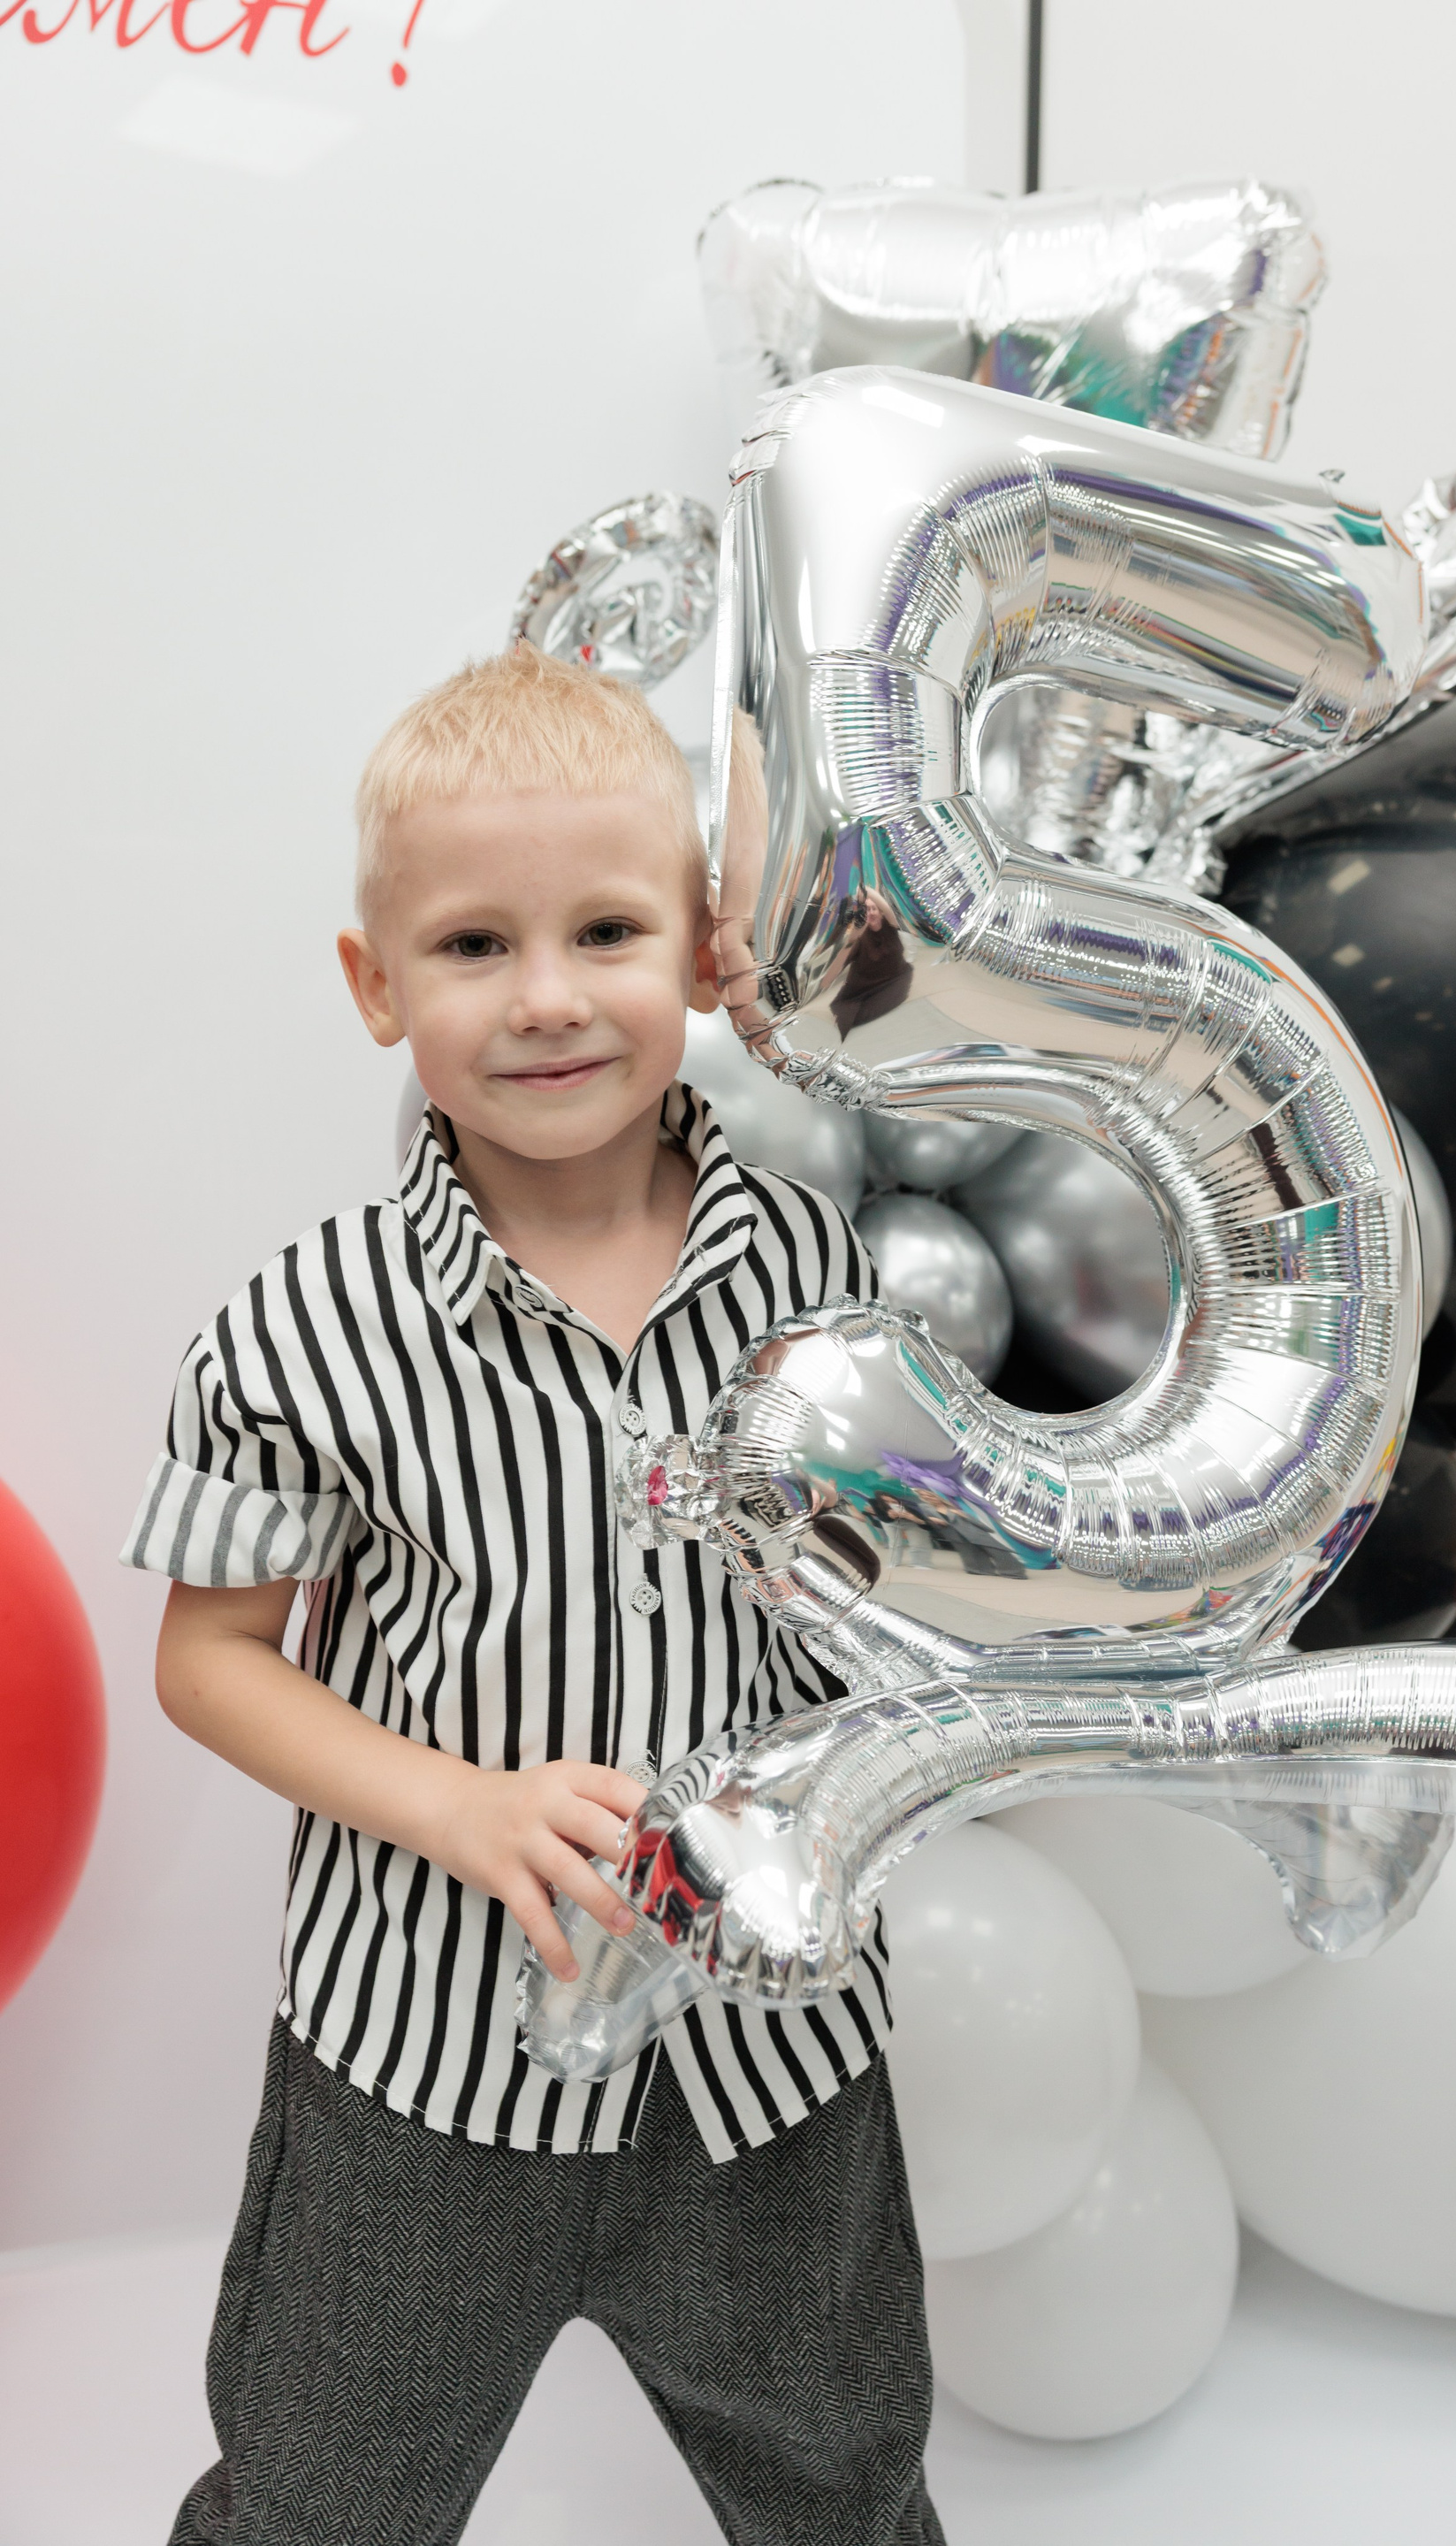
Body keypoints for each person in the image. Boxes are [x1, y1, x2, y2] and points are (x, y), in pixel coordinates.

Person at [123, 645, 943, 2546]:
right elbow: (211, 1664)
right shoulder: (303, 1328)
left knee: (846, 2484)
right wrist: (460, 1806)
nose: (551, 996)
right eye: (477, 946)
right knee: (323, 2500)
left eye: (608, 931)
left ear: (703, 953)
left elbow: (880, 1591)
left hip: (769, 2056)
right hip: (425, 2062)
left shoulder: (814, 1267)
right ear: (377, 986)